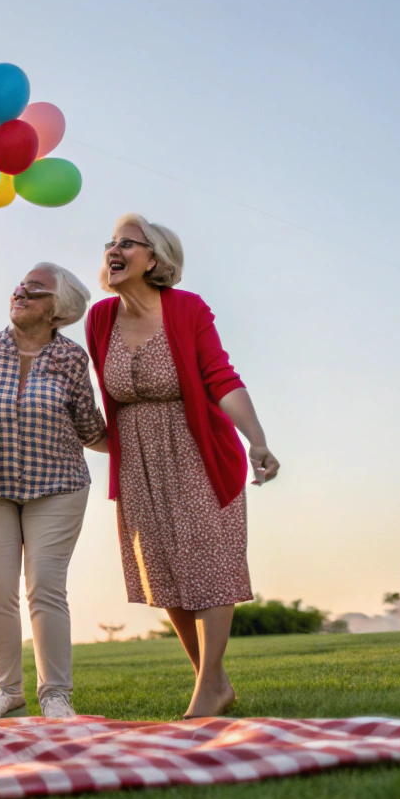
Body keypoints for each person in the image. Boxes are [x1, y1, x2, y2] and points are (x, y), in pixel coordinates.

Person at [84, 213, 280, 719]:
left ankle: (211, 683)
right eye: (111, 242)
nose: (114, 249)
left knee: (210, 561)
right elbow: (110, 399)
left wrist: (256, 439)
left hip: (198, 450)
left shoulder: (187, 308)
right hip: (138, 463)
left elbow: (220, 376)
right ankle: (209, 680)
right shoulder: (100, 318)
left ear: (156, 258)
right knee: (164, 572)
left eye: (128, 242)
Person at [0, 263, 106, 720]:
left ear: (58, 311)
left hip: (57, 487)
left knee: (45, 588)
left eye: (35, 290)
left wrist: (136, 444)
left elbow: (88, 426)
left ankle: (56, 694)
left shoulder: (72, 359)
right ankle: (9, 691)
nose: (21, 292)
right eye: (20, 286)